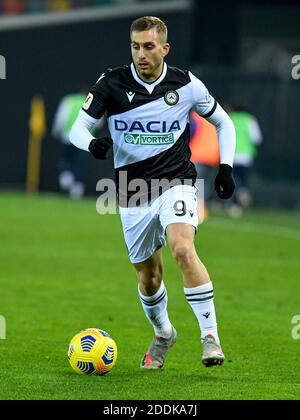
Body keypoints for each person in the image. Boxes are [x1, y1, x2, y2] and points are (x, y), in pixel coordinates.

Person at [70, 16, 236, 369]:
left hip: (176, 182)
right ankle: (164, 333)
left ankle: (210, 338)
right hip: (132, 192)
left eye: (148, 46)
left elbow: (224, 121)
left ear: (164, 48)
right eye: (135, 46)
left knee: (182, 249)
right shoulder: (111, 82)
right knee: (149, 278)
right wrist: (93, 145)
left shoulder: (186, 84)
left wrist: (226, 167)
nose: (141, 54)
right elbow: (77, 130)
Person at [227, 101, 263, 216]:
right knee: (243, 179)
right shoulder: (250, 119)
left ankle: (234, 206)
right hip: (246, 156)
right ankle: (243, 192)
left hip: (230, 155)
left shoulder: (229, 118)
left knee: (232, 179)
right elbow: (256, 138)